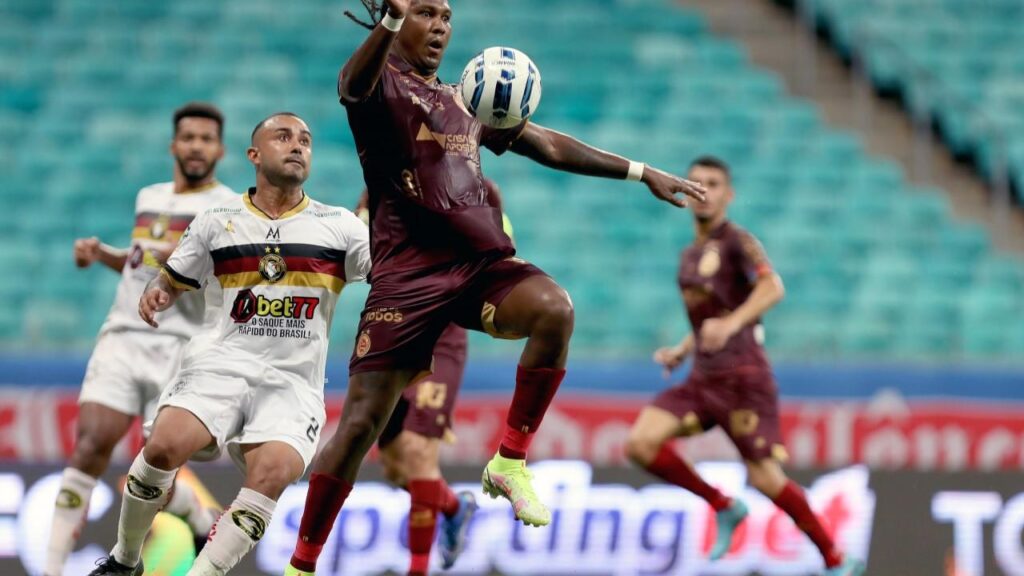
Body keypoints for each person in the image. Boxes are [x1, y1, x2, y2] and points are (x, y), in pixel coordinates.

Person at [284, 1, 707, 574]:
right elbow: (352, 83)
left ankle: (510, 460)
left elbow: (549, 145)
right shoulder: (378, 85)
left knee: (555, 309)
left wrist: (639, 171)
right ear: (397, 18)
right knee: (360, 429)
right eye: (424, 13)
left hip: (475, 268)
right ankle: (302, 563)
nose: (439, 26)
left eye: (446, 16)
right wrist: (386, 21)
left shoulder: (468, 98)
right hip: (406, 280)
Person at [87, 112, 372, 576]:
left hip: (292, 384)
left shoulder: (339, 226)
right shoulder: (217, 220)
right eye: (284, 137)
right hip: (221, 365)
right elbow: (174, 274)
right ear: (254, 155)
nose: (298, 146)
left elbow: (390, 274)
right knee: (161, 449)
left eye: (305, 140)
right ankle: (124, 560)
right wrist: (159, 289)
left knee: (273, 474)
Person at [624, 156, 865, 576]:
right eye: (695, 183)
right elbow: (711, 316)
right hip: (702, 376)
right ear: (683, 190)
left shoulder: (737, 241)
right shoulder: (689, 254)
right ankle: (723, 505)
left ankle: (836, 558)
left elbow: (773, 287)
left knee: (767, 479)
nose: (703, 190)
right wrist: (684, 347)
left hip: (742, 379)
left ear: (728, 194)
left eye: (713, 184)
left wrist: (732, 324)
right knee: (641, 444)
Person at [46, 102, 235, 576]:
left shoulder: (228, 208)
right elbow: (141, 262)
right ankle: (50, 570)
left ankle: (196, 514)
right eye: (188, 138)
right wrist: (104, 254)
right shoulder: (148, 195)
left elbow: (229, 281)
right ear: (174, 145)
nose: (196, 147)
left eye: (206, 139)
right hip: (124, 334)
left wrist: (192, 261)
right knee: (90, 445)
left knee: (156, 466)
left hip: (181, 346)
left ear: (221, 149)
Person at [362, 177, 511, 574]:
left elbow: (500, 251)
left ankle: (418, 568)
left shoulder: (467, 183)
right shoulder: (381, 182)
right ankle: (453, 506)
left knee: (417, 453)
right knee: (396, 469)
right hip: (391, 327)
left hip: (441, 331)